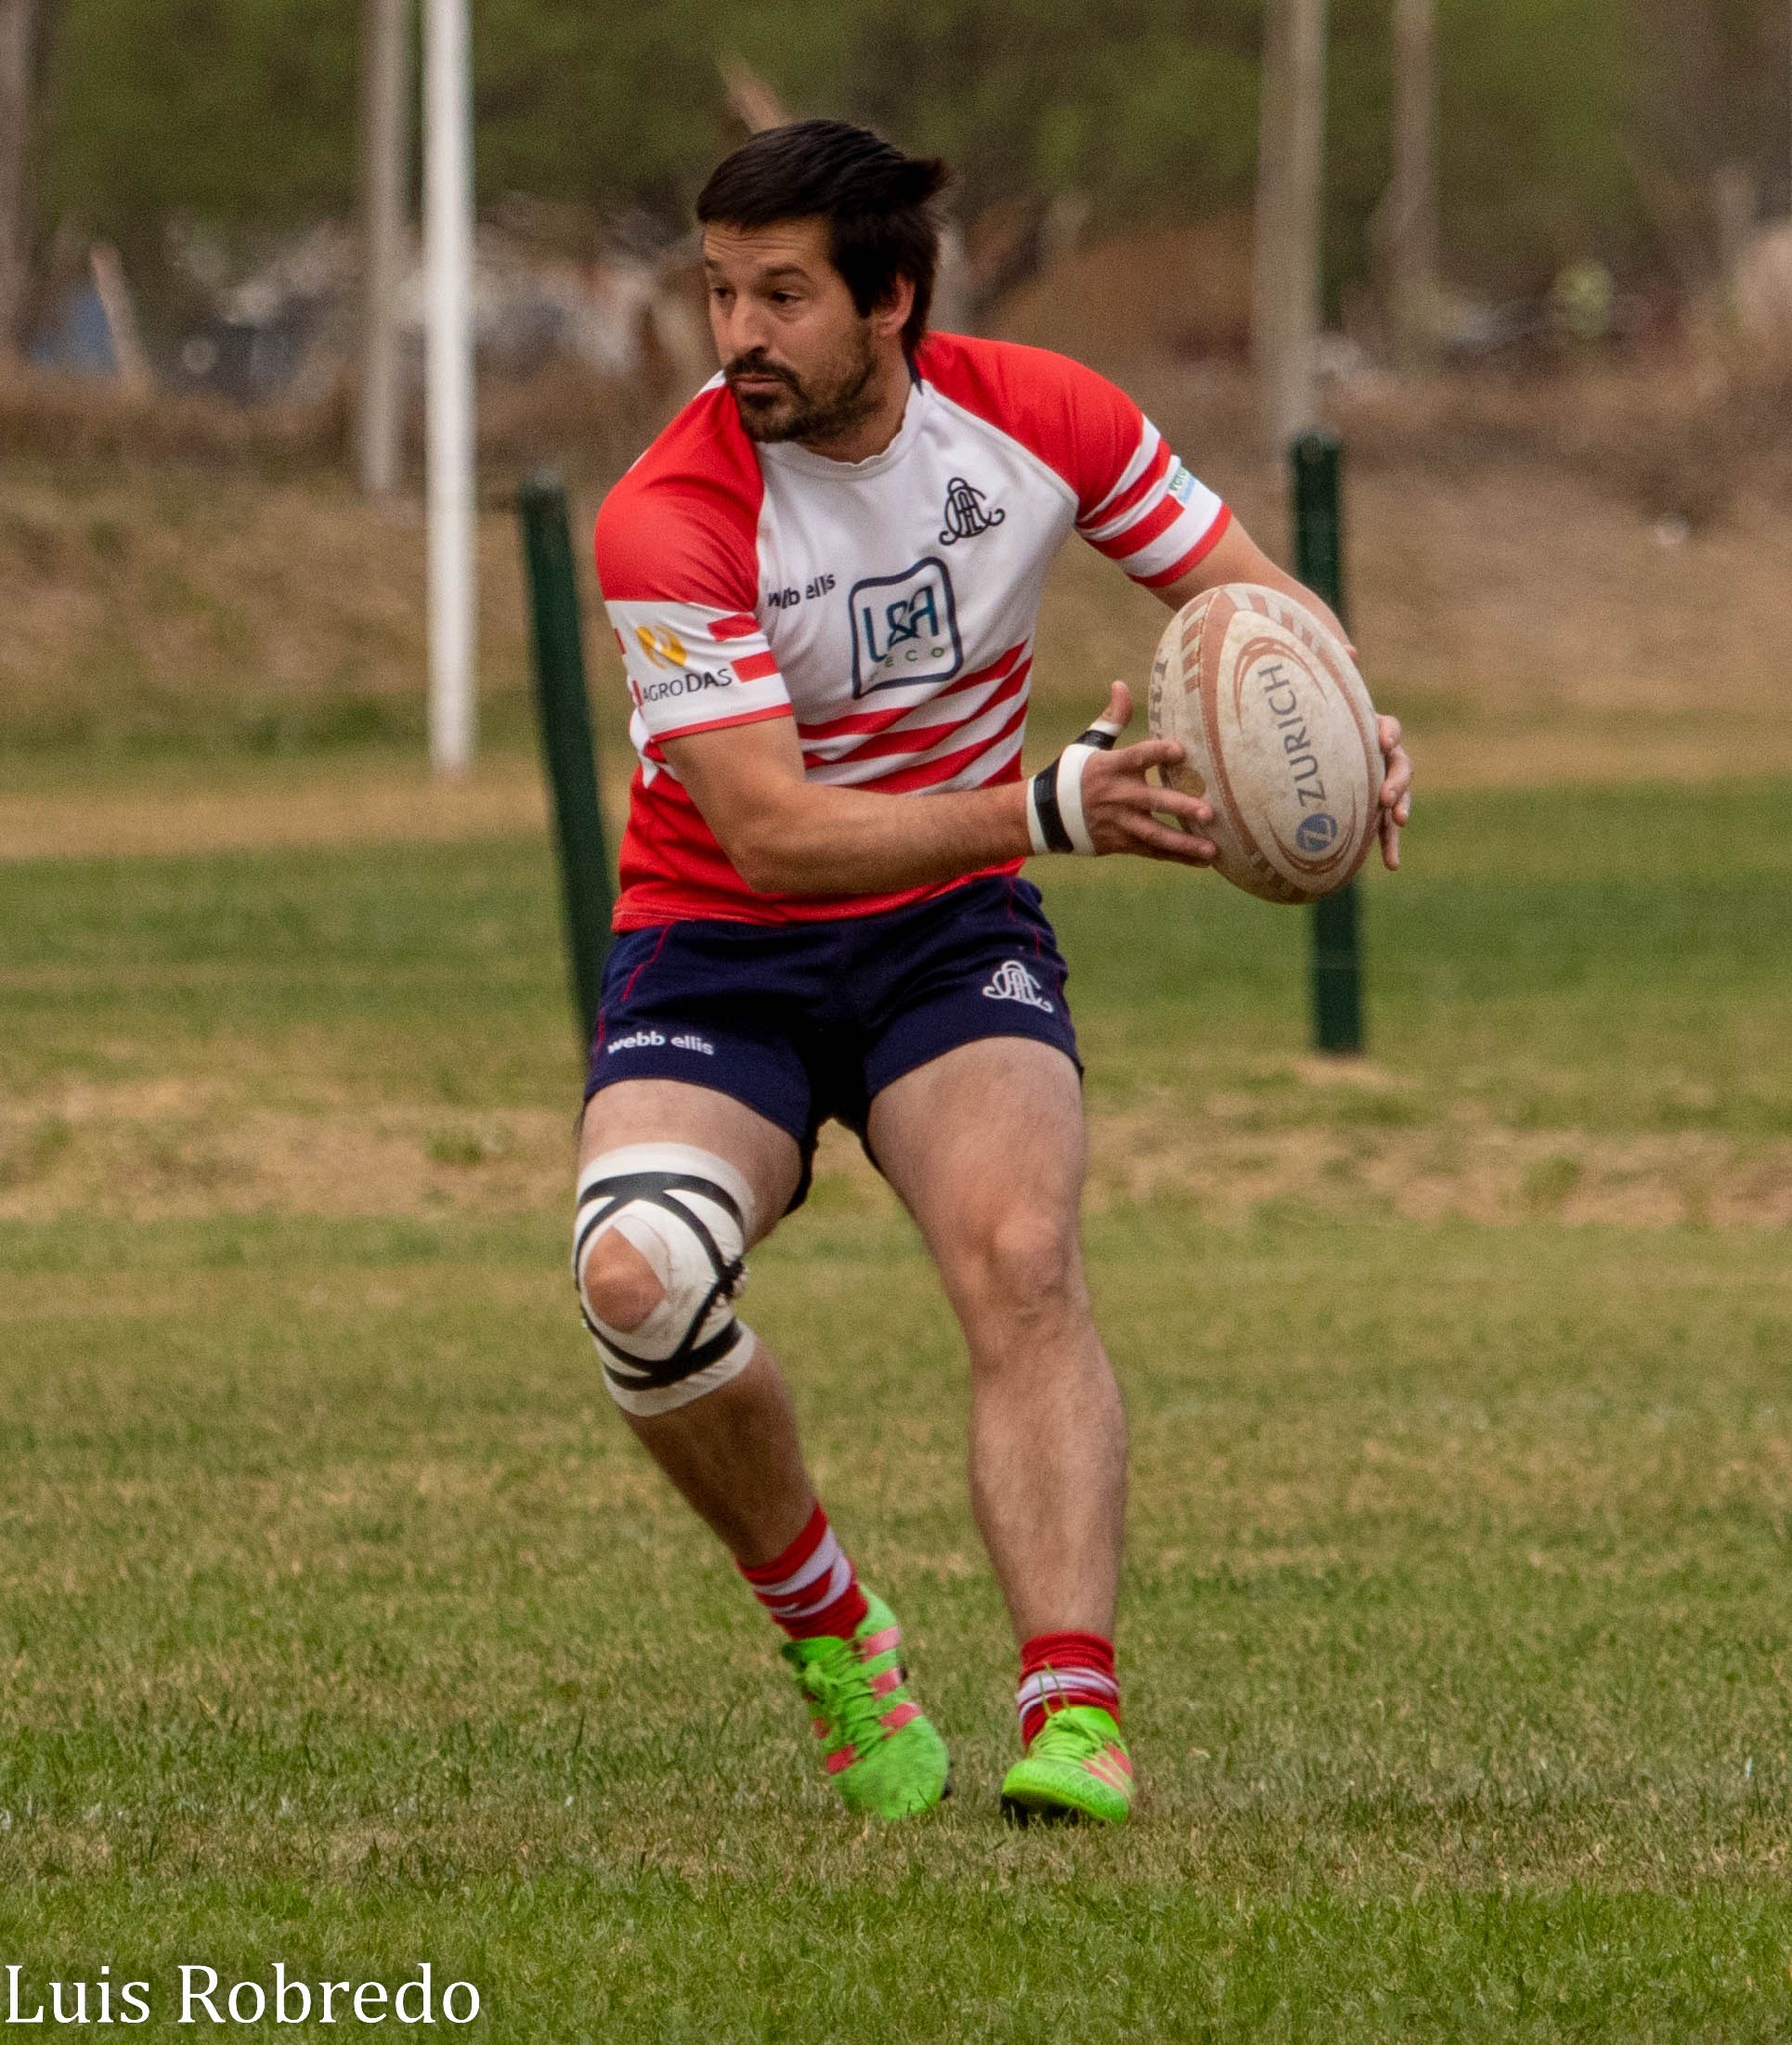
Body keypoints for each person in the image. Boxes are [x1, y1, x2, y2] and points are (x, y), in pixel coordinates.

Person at [579, 119, 1412, 1826]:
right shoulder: (667, 518)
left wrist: (1350, 716)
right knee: (639, 1283)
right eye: (721, 290)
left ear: (894, 296)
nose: (736, 331)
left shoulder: (1041, 417)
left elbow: (1255, 600)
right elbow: (768, 834)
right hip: (717, 950)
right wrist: (1048, 803)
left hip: (948, 933)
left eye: (783, 294)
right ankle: (831, 1629)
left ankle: (1075, 1711)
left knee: (1023, 1256)